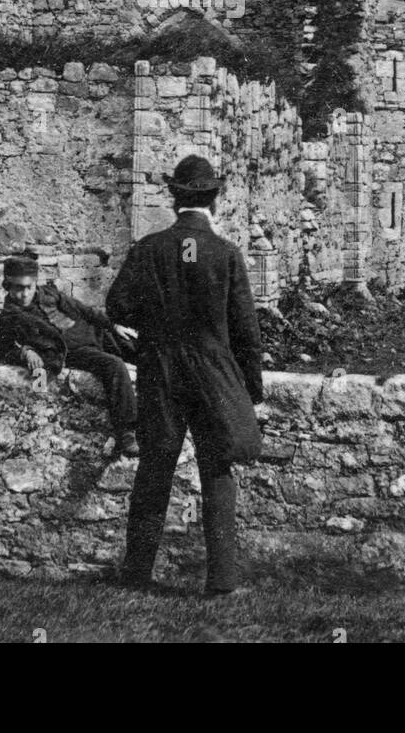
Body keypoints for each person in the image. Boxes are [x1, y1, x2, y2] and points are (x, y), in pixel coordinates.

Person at [105, 156, 264, 596]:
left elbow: (118, 306)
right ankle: (222, 582)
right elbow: (246, 331)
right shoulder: (226, 254)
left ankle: (136, 576)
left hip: (161, 370)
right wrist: (250, 389)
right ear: (215, 198)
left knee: (154, 469)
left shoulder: (148, 248)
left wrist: (150, 337)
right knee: (217, 469)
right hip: (213, 375)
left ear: (174, 198)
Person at [0, 252, 139, 456]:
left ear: (35, 283)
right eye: (18, 288)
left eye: (29, 287)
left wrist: (113, 326)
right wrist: (25, 351)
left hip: (97, 335)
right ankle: (127, 433)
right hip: (74, 352)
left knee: (144, 349)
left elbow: (84, 310)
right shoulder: (8, 318)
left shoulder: (50, 294)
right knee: (114, 365)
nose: (24, 294)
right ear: (7, 286)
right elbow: (6, 351)